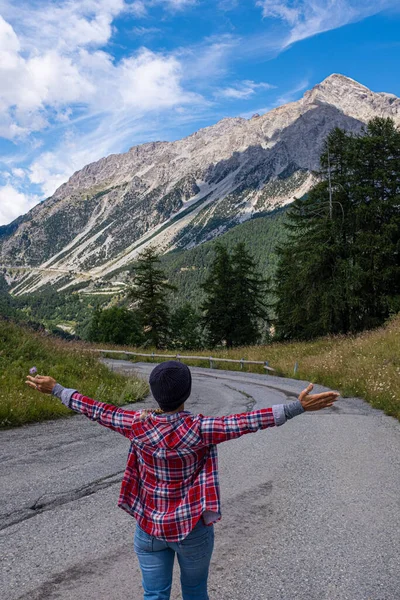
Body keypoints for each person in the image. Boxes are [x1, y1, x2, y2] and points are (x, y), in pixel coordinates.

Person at [26, 361, 339, 600]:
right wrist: (298, 406)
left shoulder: (137, 425)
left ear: (155, 394)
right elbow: (249, 421)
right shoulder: (200, 429)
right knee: (194, 593)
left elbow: (96, 409)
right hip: (192, 531)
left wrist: (56, 388)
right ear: (187, 393)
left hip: (148, 528)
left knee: (154, 595)